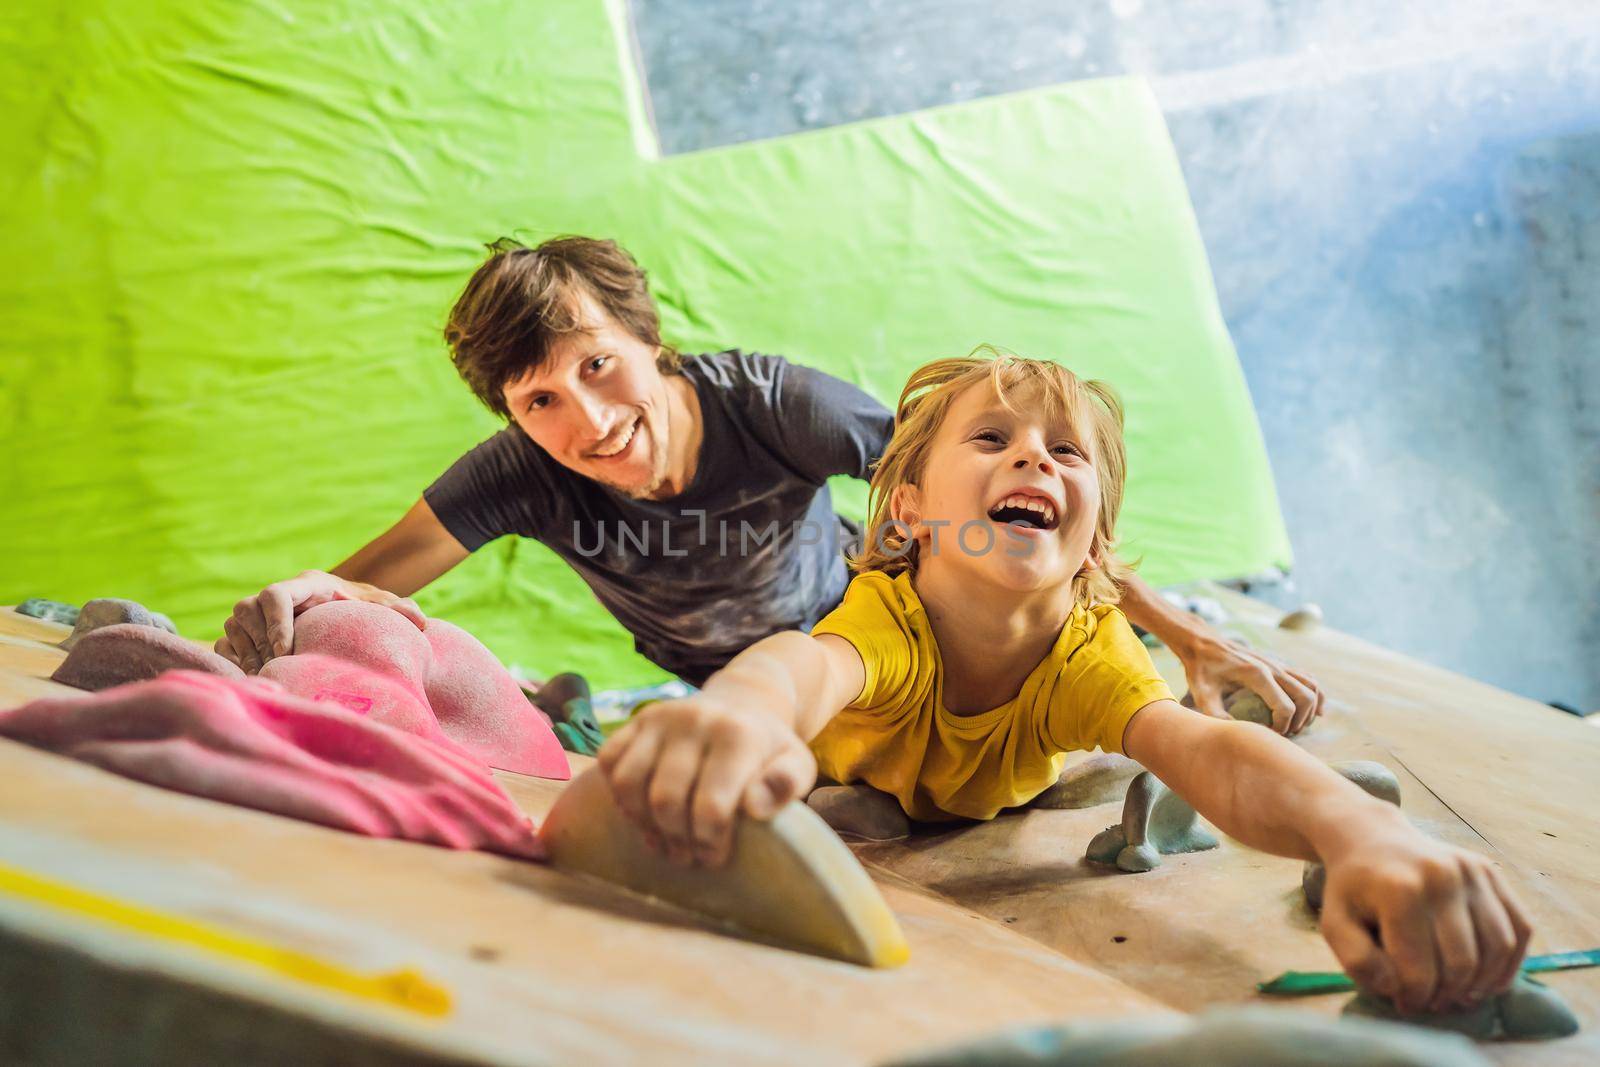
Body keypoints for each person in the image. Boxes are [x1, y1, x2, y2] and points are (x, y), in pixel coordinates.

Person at [598, 351, 1531, 1017]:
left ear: (1094, 543)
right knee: (825, 800)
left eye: (1066, 453)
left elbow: (1209, 750)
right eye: (992, 437)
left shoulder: (1089, 652)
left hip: (1010, 782)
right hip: (858, 775)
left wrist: (1362, 831)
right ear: (913, 512)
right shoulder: (890, 616)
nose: (1034, 458)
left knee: (1146, 743)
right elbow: (801, 667)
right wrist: (736, 711)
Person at [217, 235, 1322, 732]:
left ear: (651, 344)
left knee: (1031, 658)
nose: (590, 422)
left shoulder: (778, 407)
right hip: (728, 681)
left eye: (600, 366)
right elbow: (353, 581)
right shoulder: (521, 475)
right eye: (540, 400)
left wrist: (1188, 637)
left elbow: (1005, 501)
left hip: (876, 617)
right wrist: (278, 616)